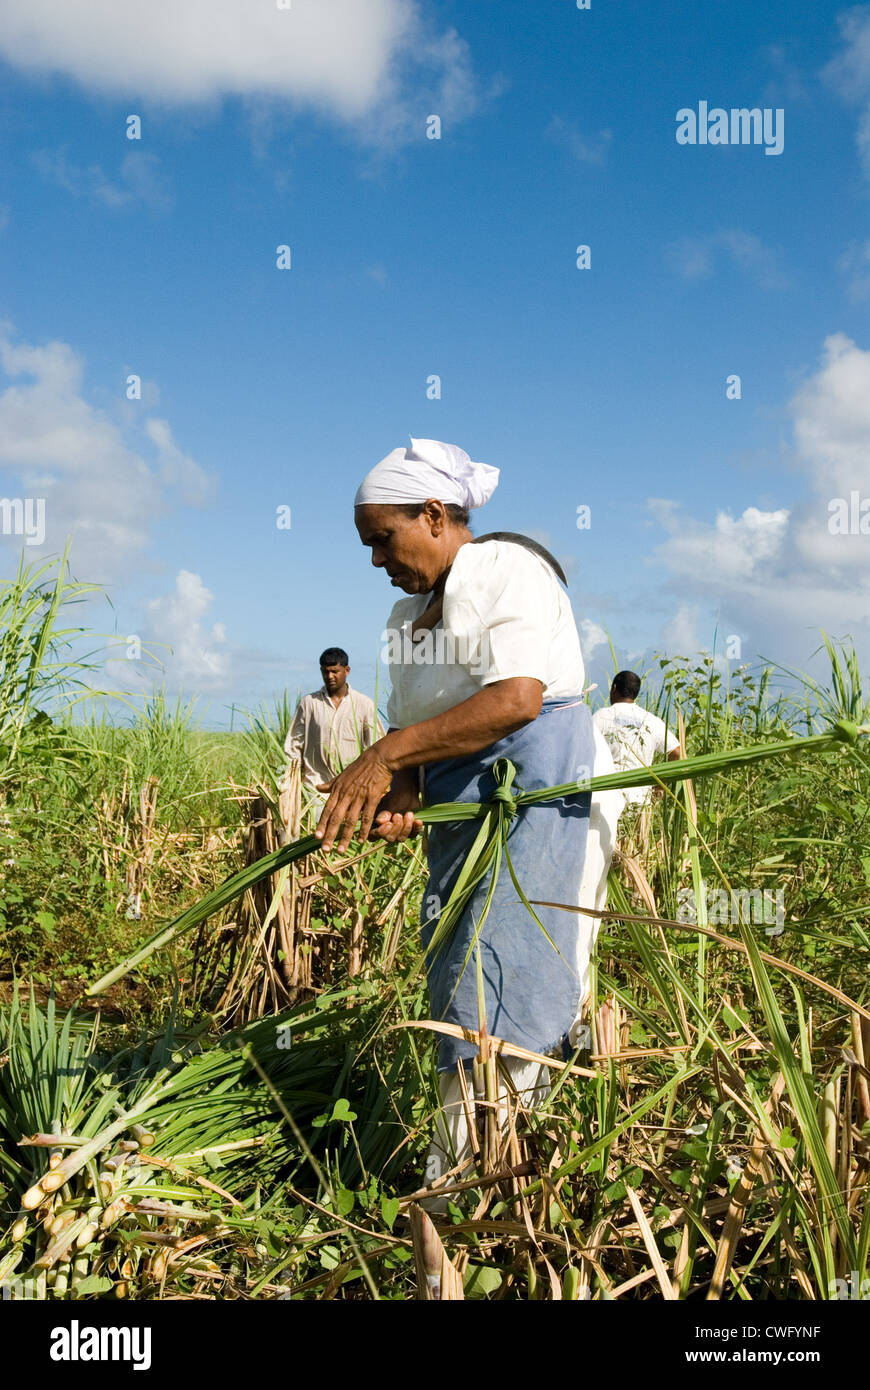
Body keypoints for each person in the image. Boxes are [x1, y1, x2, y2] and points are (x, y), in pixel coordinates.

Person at [313, 438, 623, 1199]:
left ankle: (473, 1177)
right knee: (462, 966)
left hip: (531, 787)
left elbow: (516, 697)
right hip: (461, 806)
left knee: (505, 963)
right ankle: (497, 1158)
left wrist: (388, 755)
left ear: (432, 513)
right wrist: (405, 791)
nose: (378, 559)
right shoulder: (403, 615)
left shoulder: (501, 568)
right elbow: (420, 729)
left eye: (383, 538)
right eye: (368, 546)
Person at [283, 648, 383, 796]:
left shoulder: (364, 704)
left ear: (347, 670)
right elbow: (293, 745)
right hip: (314, 787)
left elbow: (376, 746)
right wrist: (291, 784)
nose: (329, 676)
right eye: (325, 672)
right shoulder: (309, 703)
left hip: (352, 787)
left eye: (335, 671)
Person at [592, 670, 681, 806]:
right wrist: (659, 785)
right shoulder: (651, 721)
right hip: (641, 800)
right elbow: (676, 752)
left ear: (614, 689)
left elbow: (584, 749)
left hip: (607, 798)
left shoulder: (601, 716)